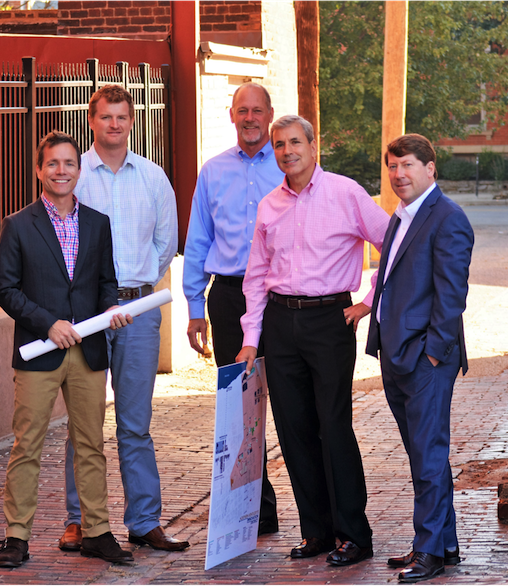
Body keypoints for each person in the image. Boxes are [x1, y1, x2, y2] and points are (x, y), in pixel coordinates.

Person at [237, 115, 389, 566]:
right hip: (281, 325)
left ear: (312, 144)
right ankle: (317, 532)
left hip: (330, 321)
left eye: (295, 142)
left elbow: (393, 244)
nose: (287, 151)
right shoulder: (269, 205)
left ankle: (354, 536)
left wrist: (366, 302)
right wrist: (251, 338)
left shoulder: (346, 193)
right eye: (279, 144)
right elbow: (256, 276)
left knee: (333, 426)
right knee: (294, 430)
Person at [0, 131, 134, 567]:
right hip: (40, 351)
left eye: (68, 163)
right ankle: (17, 536)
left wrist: (112, 308)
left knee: (90, 443)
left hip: (89, 352)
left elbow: (105, 282)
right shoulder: (18, 224)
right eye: (52, 164)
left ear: (79, 169)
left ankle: (96, 531)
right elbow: (6, 289)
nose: (61, 171)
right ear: (39, 170)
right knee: (27, 445)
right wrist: (47, 324)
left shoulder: (97, 223)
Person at [60, 85, 188, 553]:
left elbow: (164, 243)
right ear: (91, 121)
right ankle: (79, 520)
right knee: (83, 423)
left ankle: (144, 521)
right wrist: (97, 299)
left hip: (137, 313)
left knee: (135, 423)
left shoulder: (153, 178)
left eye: (121, 116)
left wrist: (130, 295)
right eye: (105, 116)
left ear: (132, 122)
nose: (113, 124)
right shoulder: (75, 177)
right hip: (88, 316)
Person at [366, 134, 474, 583]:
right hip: (395, 355)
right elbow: (389, 281)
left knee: (428, 455)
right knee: (423, 455)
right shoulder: (402, 215)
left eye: (407, 165)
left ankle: (427, 552)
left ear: (431, 168)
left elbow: (451, 299)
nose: (398, 174)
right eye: (392, 166)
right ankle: (443, 544)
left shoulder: (447, 218)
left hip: (426, 360)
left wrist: (430, 355)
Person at [182, 82, 283, 535]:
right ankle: (254, 511)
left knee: (292, 401)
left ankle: (318, 517)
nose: (249, 118)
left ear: (269, 114)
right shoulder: (213, 171)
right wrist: (193, 305)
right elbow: (198, 238)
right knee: (240, 408)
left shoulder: (288, 165)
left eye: (257, 111)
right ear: (232, 116)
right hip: (227, 296)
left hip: (280, 298)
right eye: (242, 110)